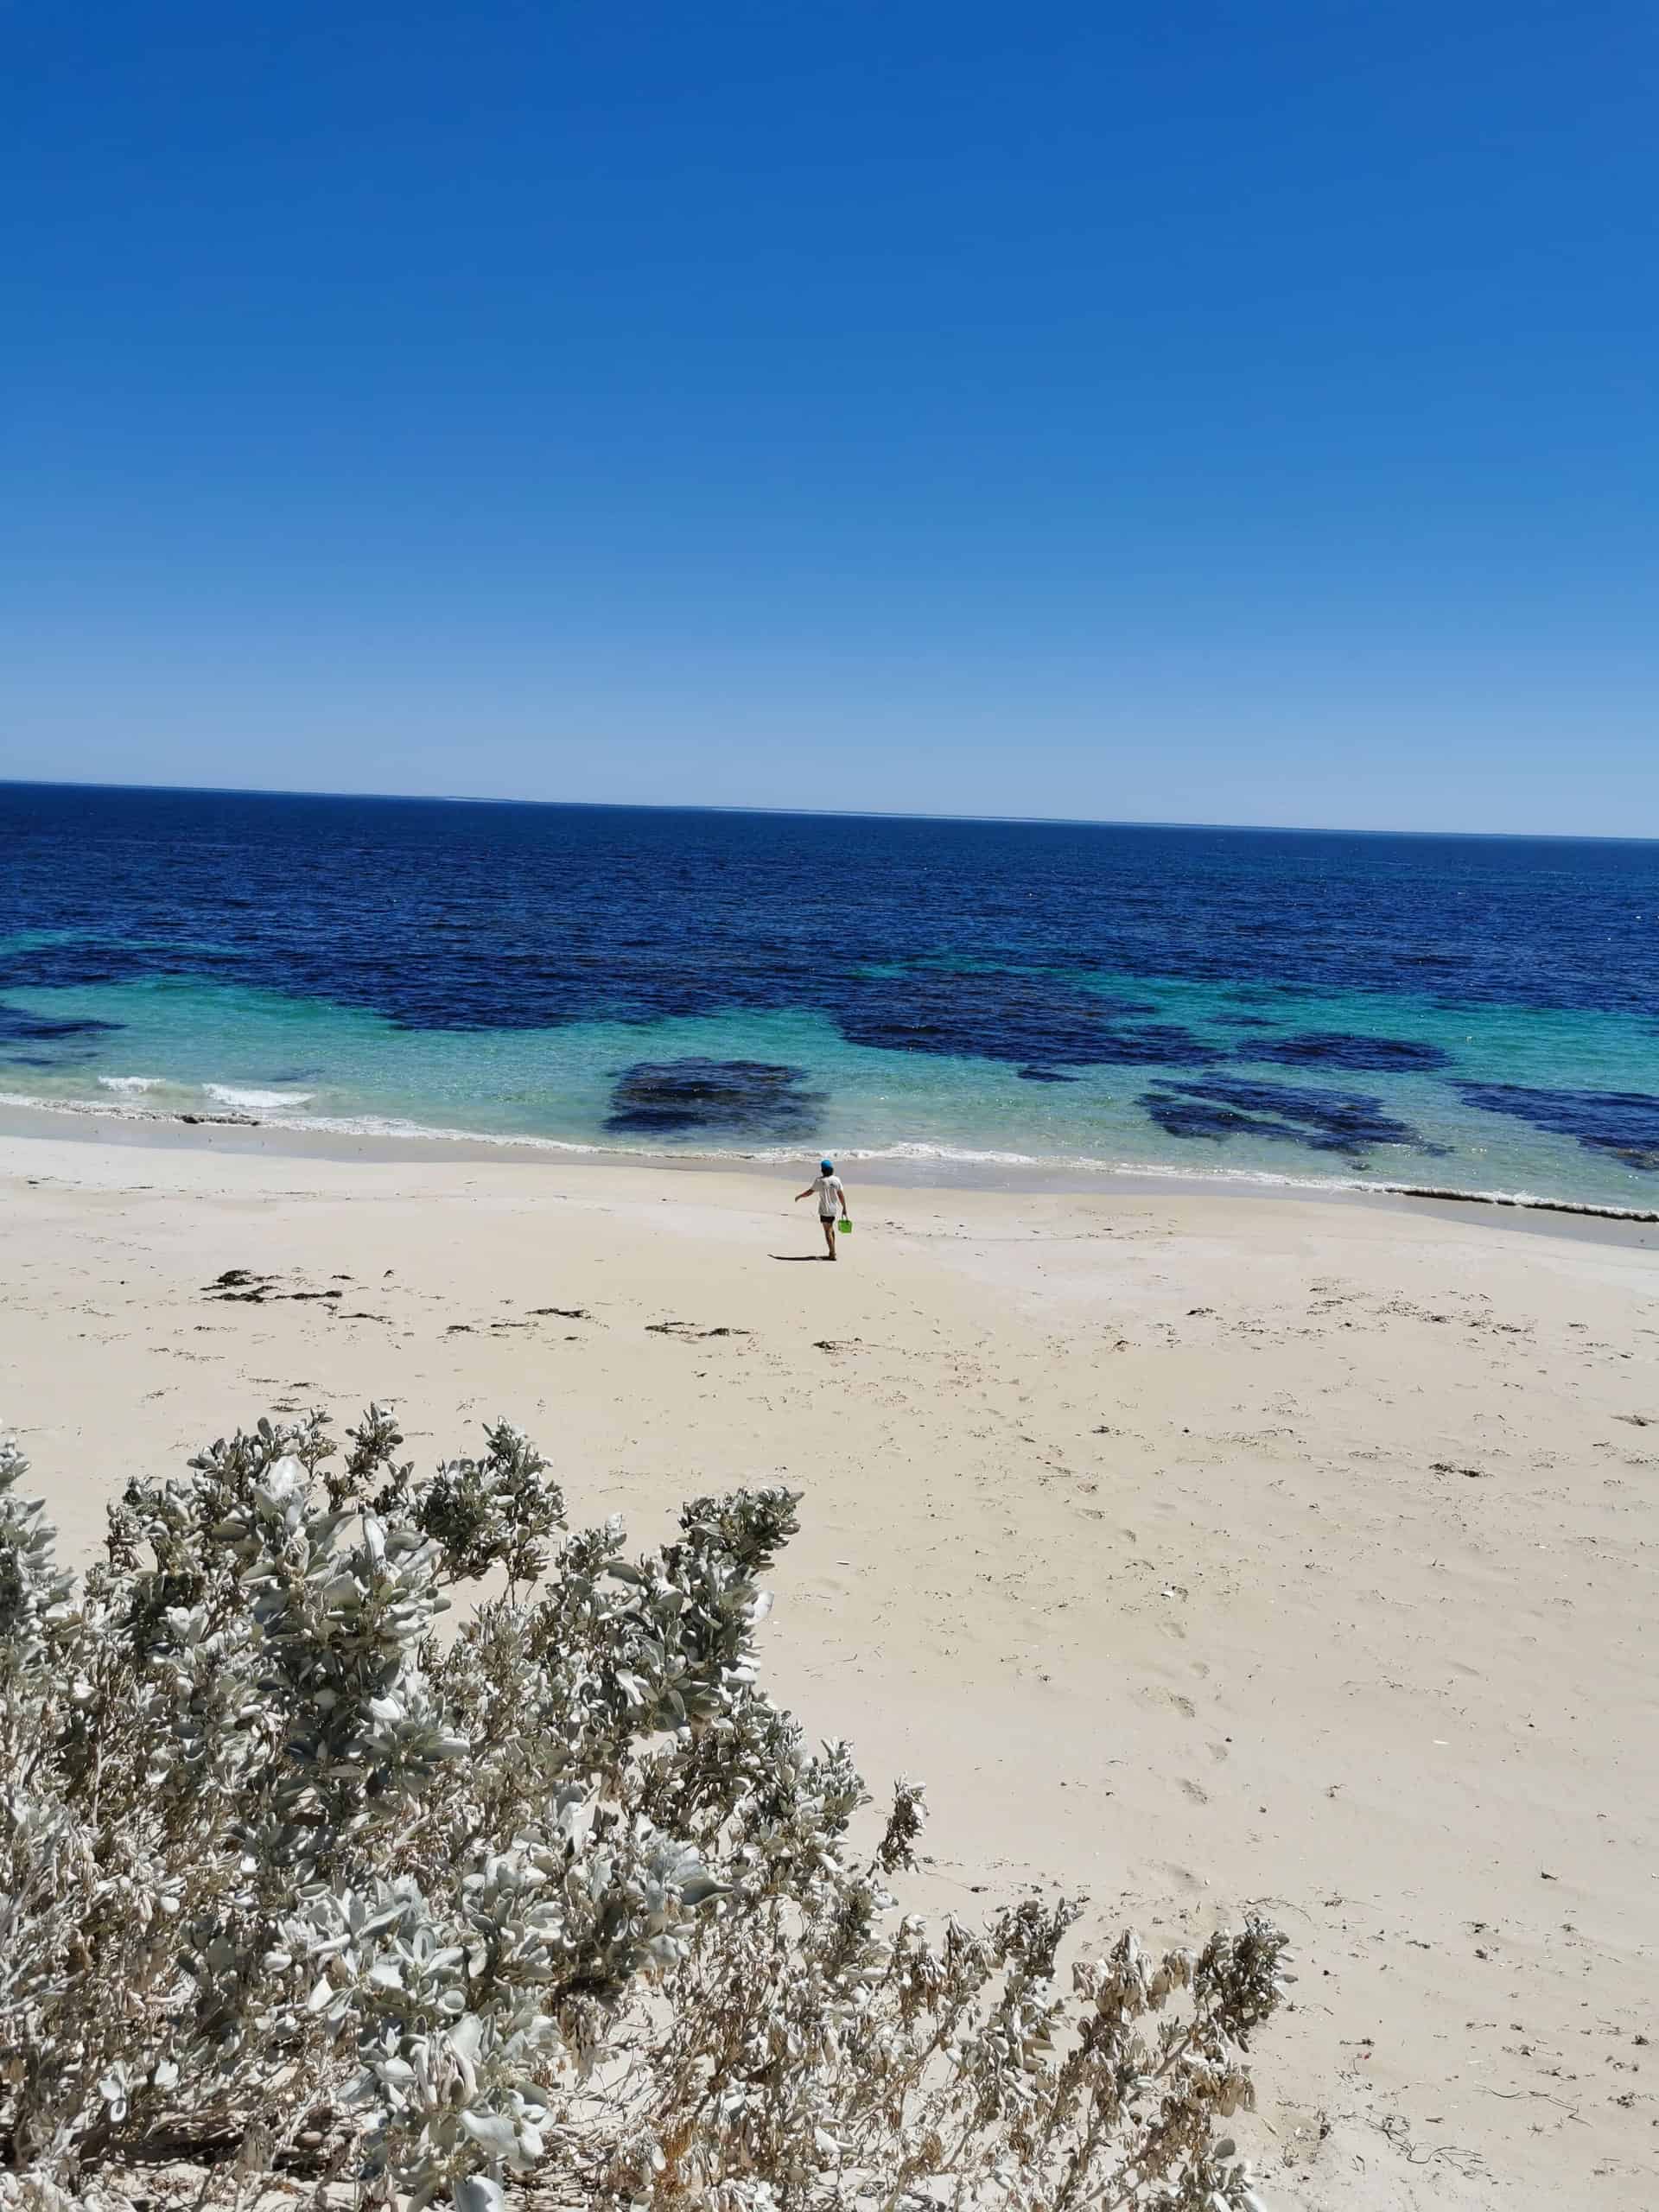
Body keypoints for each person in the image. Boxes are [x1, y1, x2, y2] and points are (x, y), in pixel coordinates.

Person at [795, 1157, 849, 1259]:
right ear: (832, 1169)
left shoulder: (819, 1181)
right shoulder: (836, 1180)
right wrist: (844, 1207)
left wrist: (800, 1196)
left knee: (827, 1231)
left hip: (824, 1210)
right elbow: (841, 1195)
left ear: (822, 1170)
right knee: (831, 1229)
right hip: (833, 1210)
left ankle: (832, 1254)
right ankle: (833, 1251)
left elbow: (810, 1192)